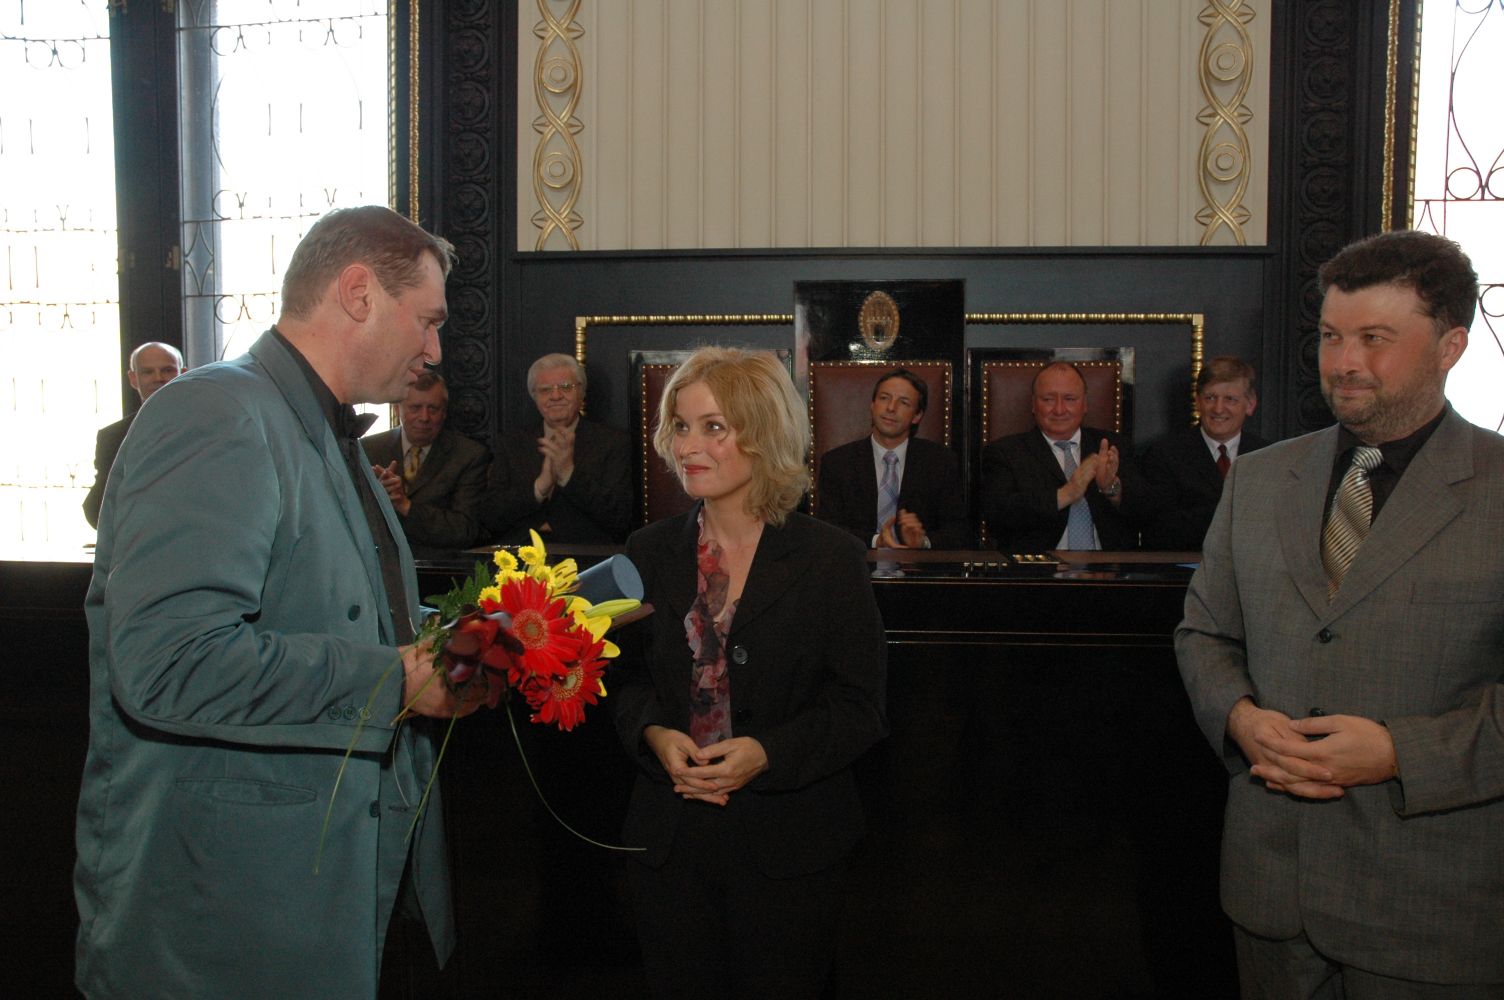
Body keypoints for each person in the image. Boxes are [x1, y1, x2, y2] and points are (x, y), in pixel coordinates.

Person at [74, 206, 482, 1000]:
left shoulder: (328, 432)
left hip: (326, 892)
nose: (435, 350)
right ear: (359, 293)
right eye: (429, 321)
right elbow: (167, 664)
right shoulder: (215, 412)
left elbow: (341, 614)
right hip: (229, 918)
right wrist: (398, 679)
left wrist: (462, 642)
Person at [1176, 230, 1504, 994]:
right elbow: (1205, 633)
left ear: (1451, 346)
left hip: (1433, 912)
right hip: (1270, 896)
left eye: (1373, 339)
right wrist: (1240, 718)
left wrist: (1399, 754)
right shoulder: (1259, 480)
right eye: (1330, 336)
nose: (1344, 362)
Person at [612, 346, 888, 998]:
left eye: (714, 427)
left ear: (763, 435)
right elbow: (623, 683)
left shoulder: (831, 559)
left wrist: (767, 752)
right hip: (670, 844)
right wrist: (654, 734)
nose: (688, 446)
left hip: (792, 847)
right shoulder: (646, 551)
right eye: (681, 426)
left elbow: (861, 707)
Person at [979, 361, 1149, 552]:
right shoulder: (1005, 452)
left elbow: (1145, 513)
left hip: (1108, 566)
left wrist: (1111, 488)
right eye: (1048, 399)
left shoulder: (1112, 447)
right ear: (1033, 404)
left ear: (1085, 404)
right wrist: (1067, 493)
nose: (1059, 410)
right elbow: (997, 516)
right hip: (1038, 566)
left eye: (1070, 399)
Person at [480, 352, 631, 544]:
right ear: (534, 397)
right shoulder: (511, 443)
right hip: (520, 552)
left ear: (582, 392)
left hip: (585, 552)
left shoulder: (612, 443)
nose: (556, 396)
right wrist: (539, 488)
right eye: (545, 390)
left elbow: (620, 518)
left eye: (566, 387)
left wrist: (568, 475)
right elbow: (490, 516)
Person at [815, 367, 972, 549]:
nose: (891, 408)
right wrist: (876, 541)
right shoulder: (837, 463)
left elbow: (959, 531)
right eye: (884, 398)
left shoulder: (940, 462)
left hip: (918, 565)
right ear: (872, 405)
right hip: (858, 562)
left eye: (903, 402)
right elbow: (828, 529)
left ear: (917, 415)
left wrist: (922, 542)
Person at [1140, 356, 1269, 550]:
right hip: (1187, 565)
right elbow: (1159, 530)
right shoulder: (1165, 455)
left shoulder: (1267, 455)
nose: (1218, 409)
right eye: (1210, 398)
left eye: (1230, 399)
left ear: (1250, 404)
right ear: (1198, 401)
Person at [365, 371, 491, 553]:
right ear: (397, 410)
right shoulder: (368, 449)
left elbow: (465, 529)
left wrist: (406, 506)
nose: (424, 417)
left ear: (444, 412)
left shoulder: (468, 456)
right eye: (415, 408)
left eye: (433, 409)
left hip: (440, 563)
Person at [82, 341, 183, 528]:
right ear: (133, 378)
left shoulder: (207, 427)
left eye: (167, 370)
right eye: (147, 372)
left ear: (183, 374)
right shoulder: (113, 437)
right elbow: (98, 508)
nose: (158, 378)